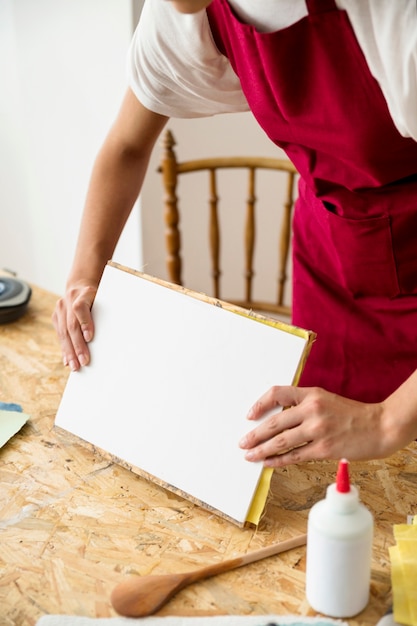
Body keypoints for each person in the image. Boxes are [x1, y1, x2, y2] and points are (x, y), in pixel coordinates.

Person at [52, 0, 417, 468]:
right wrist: (85, 275)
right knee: (330, 487)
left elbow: (385, 425)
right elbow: (125, 146)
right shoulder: (190, 12)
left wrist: (387, 421)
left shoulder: (393, 12)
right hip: (330, 263)